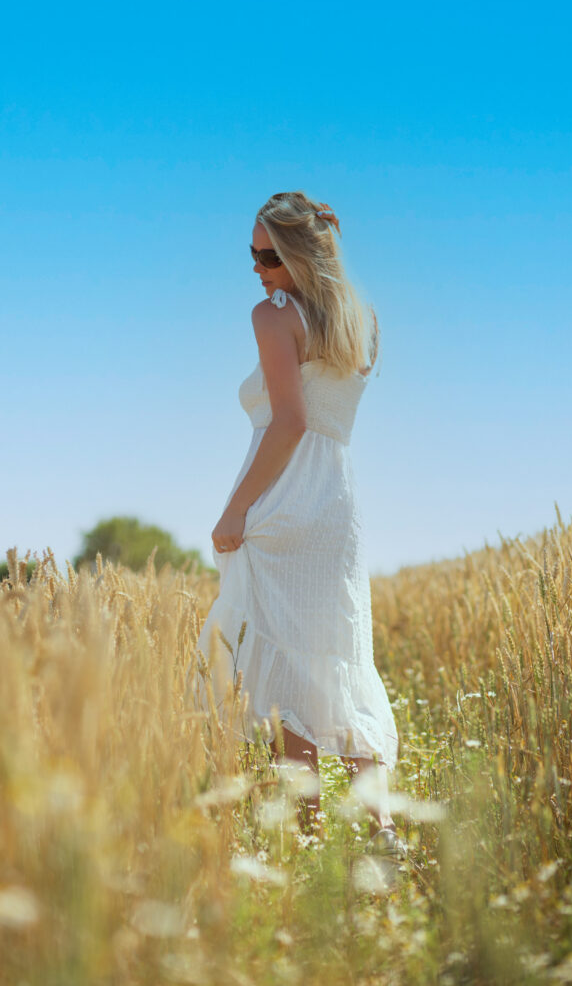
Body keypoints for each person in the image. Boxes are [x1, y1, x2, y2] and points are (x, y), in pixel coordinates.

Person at [196, 190, 402, 853]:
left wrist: (235, 510)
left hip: (281, 505)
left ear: (295, 254)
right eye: (252, 256)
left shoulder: (274, 314)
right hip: (336, 510)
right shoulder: (361, 320)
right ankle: (382, 833)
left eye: (266, 256)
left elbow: (289, 421)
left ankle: (308, 839)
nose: (256, 271)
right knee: (339, 659)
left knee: (282, 670)